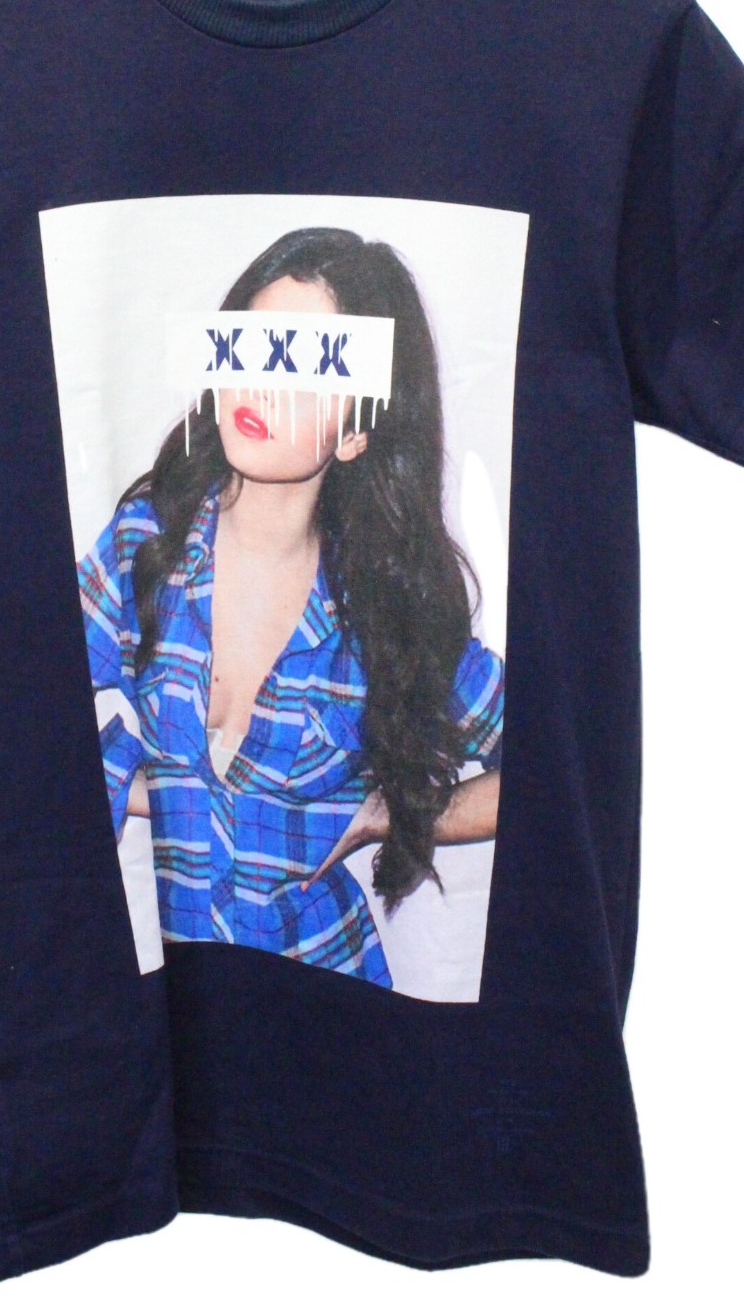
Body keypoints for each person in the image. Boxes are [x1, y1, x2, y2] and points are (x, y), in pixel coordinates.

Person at [76, 226, 504, 990]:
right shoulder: (146, 546)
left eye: (309, 368)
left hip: (325, 1000)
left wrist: (393, 815)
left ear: (356, 433)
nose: (262, 387)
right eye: (252, 348)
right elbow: (18, 704)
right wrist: (143, 789)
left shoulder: (382, 612)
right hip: (168, 1005)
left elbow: (559, 770)